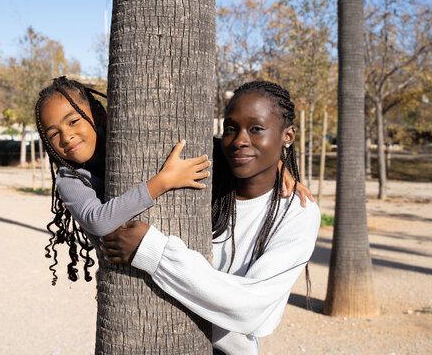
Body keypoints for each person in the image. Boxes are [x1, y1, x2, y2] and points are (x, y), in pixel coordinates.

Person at [100, 80, 321, 354]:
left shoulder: (298, 212)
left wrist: (153, 252)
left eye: (256, 129)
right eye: (231, 128)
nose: (239, 140)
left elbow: (251, 308)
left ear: (287, 136)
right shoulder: (207, 175)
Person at [34, 76, 211, 284]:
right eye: (54, 134)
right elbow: (97, 221)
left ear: (98, 114)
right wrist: (164, 181)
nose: (66, 137)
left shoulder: (129, 144)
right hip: (122, 283)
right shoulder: (69, 178)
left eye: (73, 122)